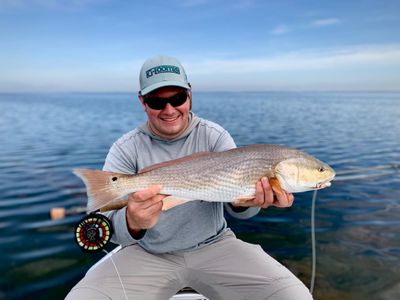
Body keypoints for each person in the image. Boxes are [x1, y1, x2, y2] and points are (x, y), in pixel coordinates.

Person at [66, 55, 313, 300]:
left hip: (215, 246)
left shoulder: (215, 136)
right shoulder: (125, 148)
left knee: (294, 296)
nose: (169, 110)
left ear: (190, 95)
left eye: (177, 98)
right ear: (142, 102)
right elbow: (108, 228)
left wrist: (246, 204)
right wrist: (133, 221)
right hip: (146, 252)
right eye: (156, 101)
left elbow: (241, 209)